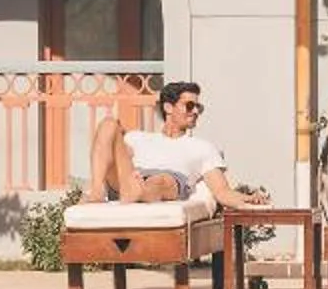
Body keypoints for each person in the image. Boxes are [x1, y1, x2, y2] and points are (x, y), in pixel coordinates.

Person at [86, 81, 260, 207]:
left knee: (161, 179)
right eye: (190, 106)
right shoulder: (137, 138)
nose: (196, 112)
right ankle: (96, 192)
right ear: (168, 108)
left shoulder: (203, 147)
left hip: (167, 181)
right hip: (130, 179)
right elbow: (113, 157)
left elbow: (222, 192)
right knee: (109, 124)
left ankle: (139, 192)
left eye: (199, 107)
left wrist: (247, 199)